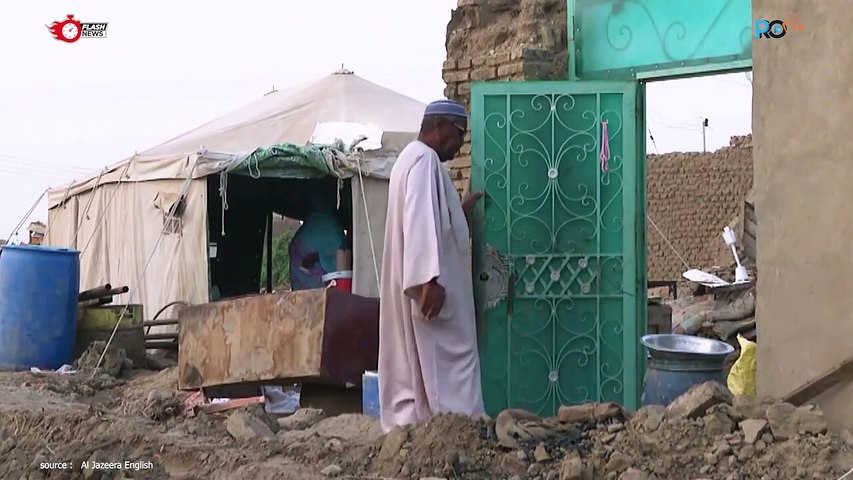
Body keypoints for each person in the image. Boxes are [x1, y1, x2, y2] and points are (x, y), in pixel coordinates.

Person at [378, 99, 486, 432]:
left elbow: (432, 218)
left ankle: (424, 424)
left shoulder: (408, 160)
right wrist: (429, 279)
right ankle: (459, 429)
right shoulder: (424, 162)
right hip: (433, 292)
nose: (460, 143)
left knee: (418, 363)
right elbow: (419, 220)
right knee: (455, 361)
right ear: (439, 127)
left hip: (421, 282)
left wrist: (459, 210)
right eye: (458, 134)